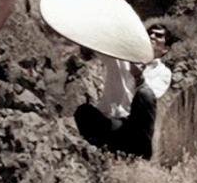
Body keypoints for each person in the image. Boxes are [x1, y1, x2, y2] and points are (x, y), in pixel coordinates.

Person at [73, 24, 172, 159]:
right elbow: (97, 48)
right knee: (84, 111)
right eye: (149, 32)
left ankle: (140, 154)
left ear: (165, 49)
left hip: (134, 129)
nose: (152, 36)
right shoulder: (121, 56)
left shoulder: (163, 72)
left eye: (158, 35)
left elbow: (149, 98)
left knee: (145, 94)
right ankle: (103, 151)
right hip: (112, 124)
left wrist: (138, 77)